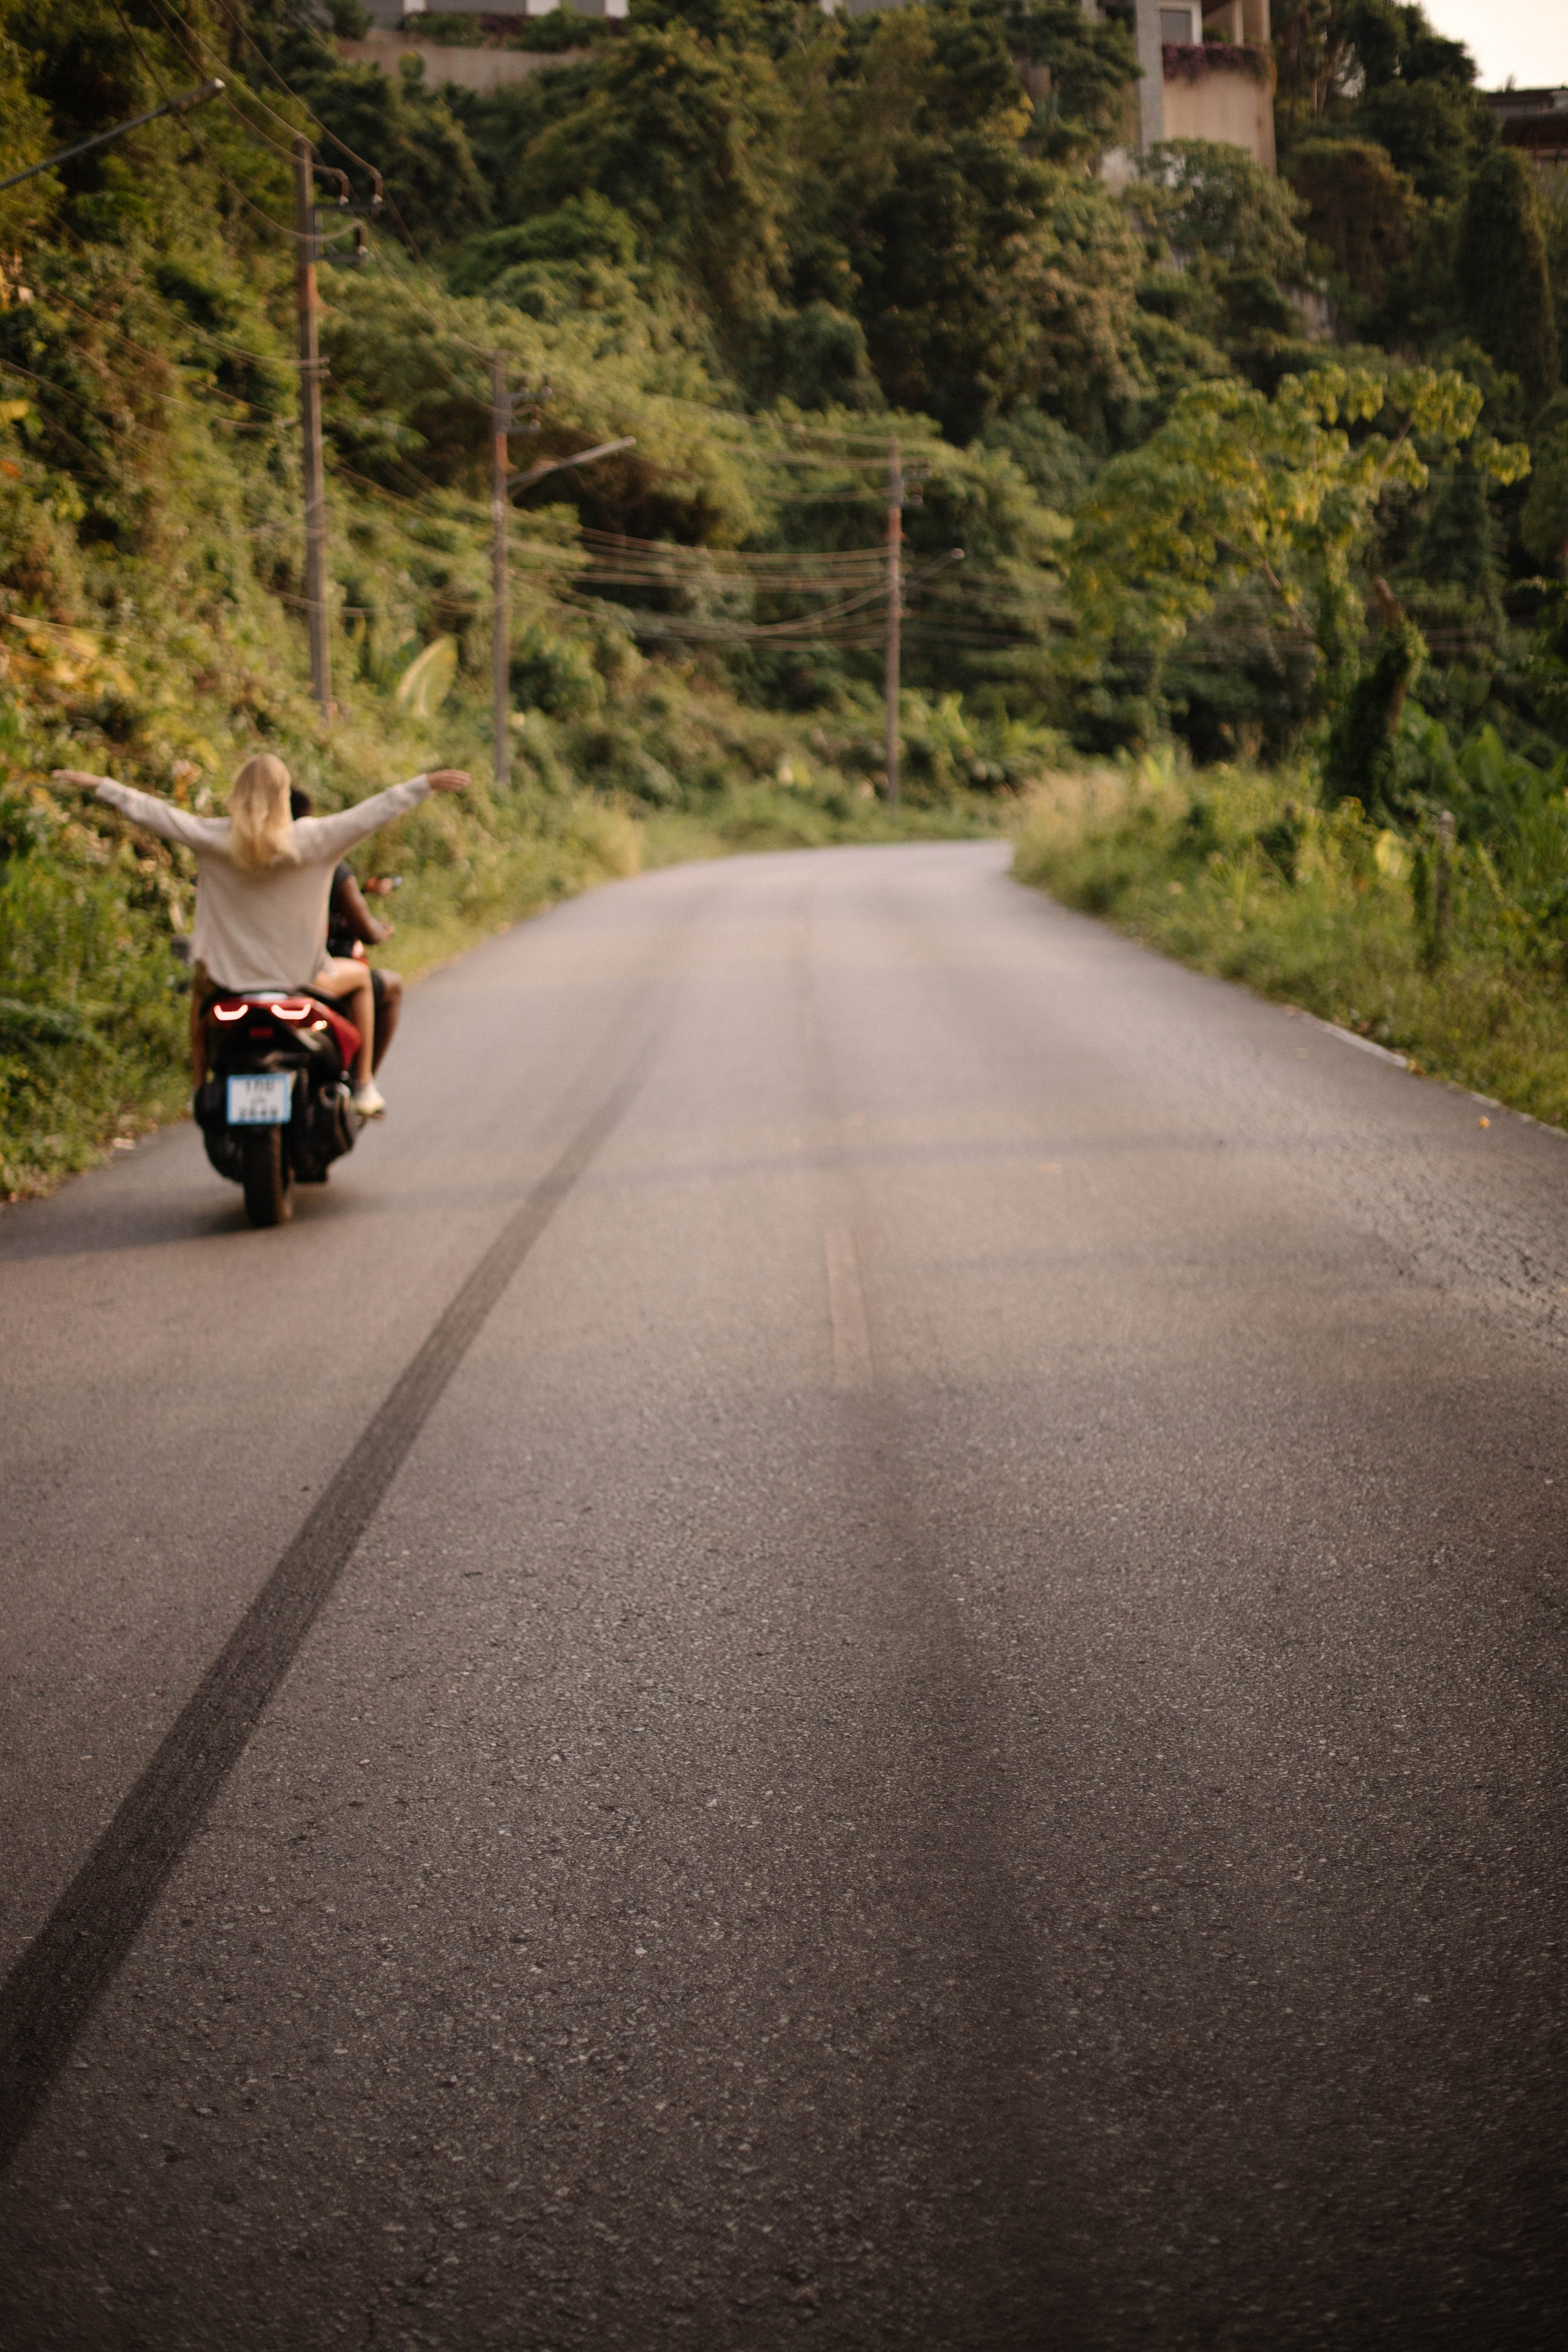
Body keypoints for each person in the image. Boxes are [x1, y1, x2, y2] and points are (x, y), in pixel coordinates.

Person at [53, 753, 468, 1118]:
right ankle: (362, 1085)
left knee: (200, 996)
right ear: (284, 794)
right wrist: (424, 785)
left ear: (237, 795)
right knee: (363, 979)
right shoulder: (316, 839)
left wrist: (100, 786)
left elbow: (153, 812)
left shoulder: (214, 837)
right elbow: (372, 812)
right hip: (303, 980)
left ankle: (198, 1088)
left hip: (228, 981)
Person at [290, 787, 404, 1073]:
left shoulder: (245, 862)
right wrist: (382, 931)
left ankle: (197, 1084)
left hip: (243, 973)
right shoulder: (328, 865)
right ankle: (364, 1081)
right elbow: (367, 930)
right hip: (304, 973)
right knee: (369, 980)